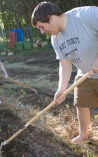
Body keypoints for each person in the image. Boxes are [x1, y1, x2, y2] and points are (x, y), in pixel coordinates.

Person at [31, 2, 98, 143]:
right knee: (81, 104)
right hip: (85, 72)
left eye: (42, 27)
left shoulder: (85, 15)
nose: (42, 32)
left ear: (51, 18)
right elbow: (65, 63)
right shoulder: (55, 39)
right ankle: (83, 135)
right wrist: (62, 89)